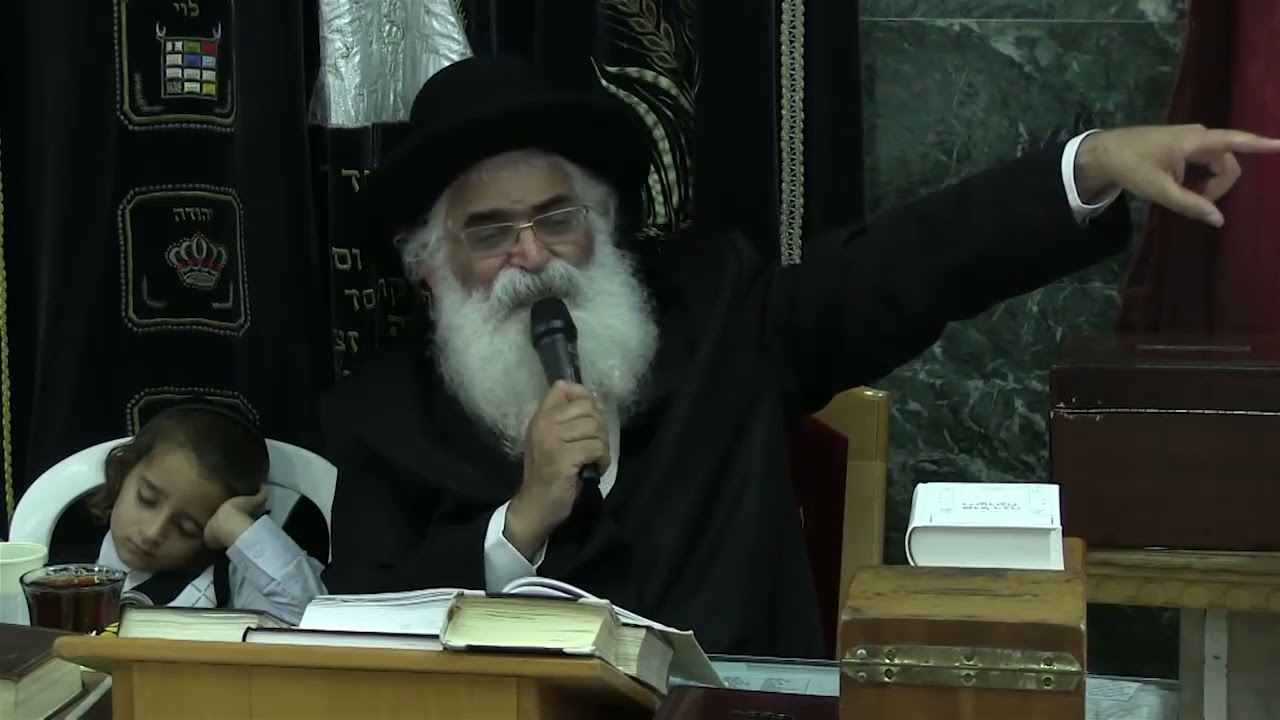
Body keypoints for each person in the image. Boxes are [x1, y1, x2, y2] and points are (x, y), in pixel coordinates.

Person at [320, 56, 1280, 657]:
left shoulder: (721, 317)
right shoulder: (381, 415)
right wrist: (520, 522)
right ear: (431, 267)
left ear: (602, 229)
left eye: (556, 218)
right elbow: (355, 629)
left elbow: (906, 264)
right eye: (490, 233)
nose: (532, 256)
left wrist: (1091, 165)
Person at [85, 404, 326, 624]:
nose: (152, 533)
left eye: (187, 529)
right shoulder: (75, 565)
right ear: (124, 472)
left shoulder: (226, 582)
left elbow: (314, 618)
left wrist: (238, 528)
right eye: (147, 500)